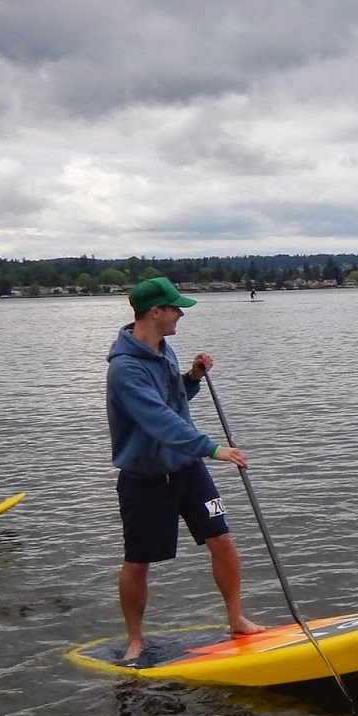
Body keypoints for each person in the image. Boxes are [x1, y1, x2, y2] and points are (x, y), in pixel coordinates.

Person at [107, 276, 265, 662]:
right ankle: (135, 638)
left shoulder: (165, 350)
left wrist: (191, 378)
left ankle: (236, 618)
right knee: (138, 561)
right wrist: (212, 448)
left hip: (187, 470)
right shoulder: (125, 370)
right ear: (155, 312)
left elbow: (172, 398)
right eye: (175, 307)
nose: (181, 313)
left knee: (222, 541)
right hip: (145, 478)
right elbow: (158, 419)